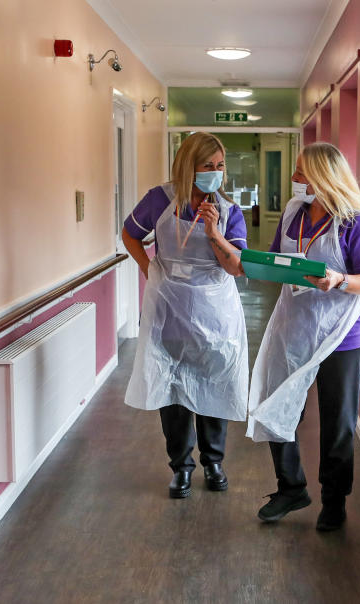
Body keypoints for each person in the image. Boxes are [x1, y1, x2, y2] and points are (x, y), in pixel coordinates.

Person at [248, 142, 360, 531]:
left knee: (337, 423)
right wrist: (249, 263)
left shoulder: (356, 223)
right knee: (277, 407)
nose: (293, 179)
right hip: (295, 328)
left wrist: (338, 279)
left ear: (324, 176)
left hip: (341, 337)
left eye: (301, 173)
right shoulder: (294, 213)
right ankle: (291, 487)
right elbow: (277, 258)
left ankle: (334, 500)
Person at [122, 132, 248, 499]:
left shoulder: (228, 210)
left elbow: (236, 268)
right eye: (207, 166)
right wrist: (150, 270)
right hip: (169, 310)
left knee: (214, 385)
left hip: (214, 312)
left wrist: (214, 233)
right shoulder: (159, 200)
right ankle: (181, 467)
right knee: (171, 387)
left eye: (220, 166)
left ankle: (213, 462)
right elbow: (131, 234)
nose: (215, 173)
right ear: (187, 166)